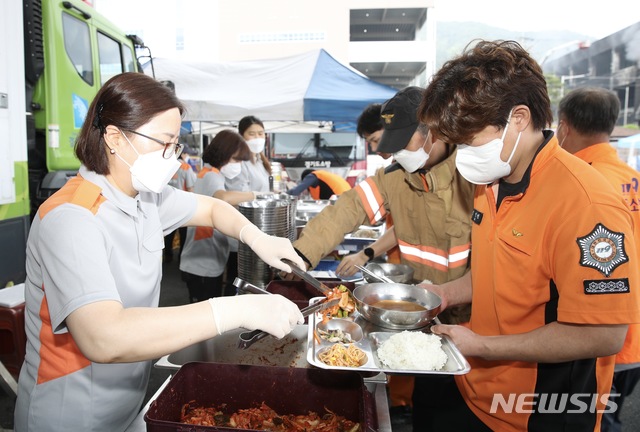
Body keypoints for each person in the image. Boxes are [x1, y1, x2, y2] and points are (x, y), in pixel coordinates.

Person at [14, 72, 305, 432]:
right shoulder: (71, 217)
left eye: (176, 145)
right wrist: (235, 309)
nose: (173, 159)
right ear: (116, 138)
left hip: (131, 401)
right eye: (163, 143)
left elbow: (213, 209)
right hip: (70, 411)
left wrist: (256, 237)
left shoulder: (145, 198)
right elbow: (103, 337)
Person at [417, 40, 640, 431]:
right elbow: (501, 271)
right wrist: (446, 294)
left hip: (538, 410)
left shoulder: (586, 204)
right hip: (476, 388)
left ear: (518, 118)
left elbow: (604, 334)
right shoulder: (491, 179)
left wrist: (482, 346)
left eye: (470, 141)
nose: (463, 155)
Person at [557, 86, 640, 432]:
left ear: (563, 126)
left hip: (601, 338)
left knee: (598, 421)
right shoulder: (632, 179)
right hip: (633, 333)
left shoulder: (583, 186)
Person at [180, 130, 261, 301]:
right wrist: (255, 194)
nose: (238, 165)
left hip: (204, 258)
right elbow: (222, 197)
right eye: (236, 159)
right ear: (223, 153)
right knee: (204, 314)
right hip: (201, 262)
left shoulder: (209, 173)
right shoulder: (211, 175)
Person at [223, 115, 271, 296]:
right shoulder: (238, 164)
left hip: (258, 229)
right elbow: (236, 199)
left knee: (254, 282)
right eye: (252, 134)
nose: (258, 137)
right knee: (237, 281)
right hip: (242, 232)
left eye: (261, 133)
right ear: (242, 136)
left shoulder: (259, 161)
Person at [163, 148, 197, 262]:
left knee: (168, 232)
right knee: (183, 234)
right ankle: (181, 257)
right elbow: (191, 188)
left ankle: (167, 255)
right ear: (182, 154)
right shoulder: (186, 167)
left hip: (166, 205)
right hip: (183, 206)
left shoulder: (166, 166)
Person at [286, 169, 351, 200]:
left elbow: (295, 191)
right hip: (348, 199)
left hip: (340, 200)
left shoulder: (312, 176)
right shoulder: (324, 178)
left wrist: (284, 195)